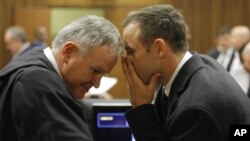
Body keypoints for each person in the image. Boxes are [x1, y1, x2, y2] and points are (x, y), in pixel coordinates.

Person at [121, 4, 250, 141]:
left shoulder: (196, 108)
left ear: (159, 49)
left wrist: (142, 110)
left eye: (130, 51)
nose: (126, 60)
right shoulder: (197, 65)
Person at [0, 15, 122, 141]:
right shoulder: (39, 84)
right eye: (95, 71)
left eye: (102, 75)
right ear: (68, 53)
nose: (97, 84)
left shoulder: (32, 63)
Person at [229, 25, 250, 93]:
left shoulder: (248, 50)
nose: (230, 40)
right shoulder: (232, 51)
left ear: (244, 38)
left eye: (233, 37)